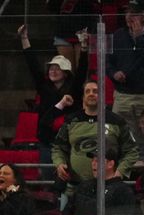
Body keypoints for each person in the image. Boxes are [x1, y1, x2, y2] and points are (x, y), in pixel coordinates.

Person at [18, 24, 89, 174]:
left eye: (58, 68)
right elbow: (32, 64)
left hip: (68, 140)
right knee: (48, 175)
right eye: (51, 68)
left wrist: (83, 46)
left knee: (69, 175)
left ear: (66, 72)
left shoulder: (73, 88)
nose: (53, 71)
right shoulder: (43, 86)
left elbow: (82, 69)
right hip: (47, 139)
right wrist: (24, 38)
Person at [51, 80, 140, 190]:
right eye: (87, 91)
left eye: (95, 91)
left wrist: (120, 171)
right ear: (83, 98)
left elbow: (132, 151)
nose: (91, 94)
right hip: (75, 187)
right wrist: (59, 164)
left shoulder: (117, 121)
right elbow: (58, 148)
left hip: (108, 187)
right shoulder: (71, 121)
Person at [106, 1, 144, 132]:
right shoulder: (118, 35)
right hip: (123, 97)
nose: (129, 16)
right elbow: (107, 63)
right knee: (120, 135)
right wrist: (114, 73)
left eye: (134, 13)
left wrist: (139, 38)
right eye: (127, 12)